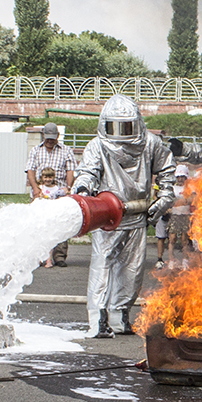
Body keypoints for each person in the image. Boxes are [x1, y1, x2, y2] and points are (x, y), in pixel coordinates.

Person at [72, 95, 176, 337]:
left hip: (137, 216)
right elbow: (87, 171)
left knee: (132, 269)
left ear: (137, 123)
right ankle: (97, 319)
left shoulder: (150, 143)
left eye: (126, 126)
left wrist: (164, 198)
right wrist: (83, 189)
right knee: (102, 265)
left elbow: (166, 170)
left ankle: (119, 316)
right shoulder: (97, 146)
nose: (120, 133)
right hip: (107, 218)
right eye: (114, 126)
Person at [27, 122, 78, 263]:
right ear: (43, 135)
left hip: (59, 192)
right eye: (47, 138)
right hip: (41, 193)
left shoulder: (66, 150)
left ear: (57, 136)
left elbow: (70, 170)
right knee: (39, 225)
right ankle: (40, 256)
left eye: (52, 138)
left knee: (61, 223)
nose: (50, 141)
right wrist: (35, 189)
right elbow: (30, 170)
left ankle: (59, 256)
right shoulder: (36, 150)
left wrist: (68, 187)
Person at [35, 167, 70, 267]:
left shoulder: (56, 189)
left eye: (50, 177)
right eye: (45, 177)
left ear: (53, 177)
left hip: (52, 216)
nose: (48, 179)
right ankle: (40, 258)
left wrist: (65, 191)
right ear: (42, 177)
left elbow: (63, 196)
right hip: (42, 216)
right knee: (41, 238)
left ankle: (49, 259)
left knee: (50, 238)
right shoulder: (40, 188)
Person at [166, 165, 194, 270]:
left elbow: (192, 199)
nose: (180, 179)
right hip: (174, 216)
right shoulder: (172, 188)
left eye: (182, 176)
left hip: (185, 216)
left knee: (184, 240)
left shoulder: (190, 188)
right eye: (178, 177)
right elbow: (168, 201)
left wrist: (181, 202)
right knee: (172, 239)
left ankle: (185, 260)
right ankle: (171, 260)